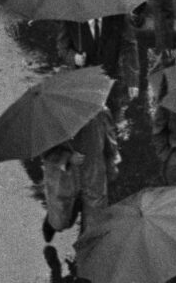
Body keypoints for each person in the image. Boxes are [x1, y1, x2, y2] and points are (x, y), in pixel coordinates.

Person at [41, 105, 120, 251]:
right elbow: (45, 149)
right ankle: (52, 224)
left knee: (94, 221)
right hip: (66, 178)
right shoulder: (55, 116)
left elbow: (110, 139)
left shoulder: (101, 112)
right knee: (61, 218)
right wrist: (67, 157)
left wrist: (111, 163)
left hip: (93, 173)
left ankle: (87, 254)